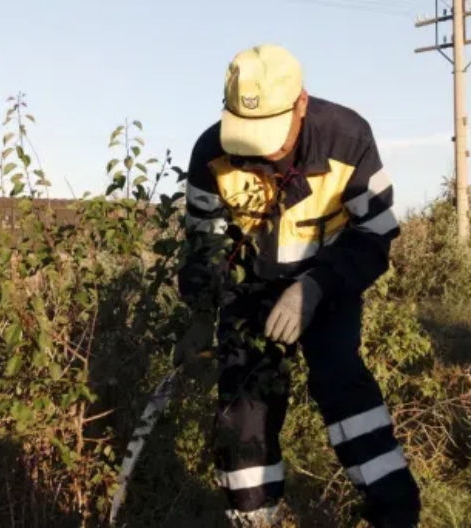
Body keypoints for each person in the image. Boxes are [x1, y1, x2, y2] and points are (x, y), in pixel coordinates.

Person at [174, 43, 421, 527]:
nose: (261, 151)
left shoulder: (348, 138)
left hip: (329, 282)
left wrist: (314, 286)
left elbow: (374, 237)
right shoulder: (211, 150)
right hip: (251, 291)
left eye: (272, 133)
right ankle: (254, 517)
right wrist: (201, 313)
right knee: (246, 401)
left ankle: (396, 514)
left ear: (301, 105)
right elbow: (203, 245)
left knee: (342, 386)